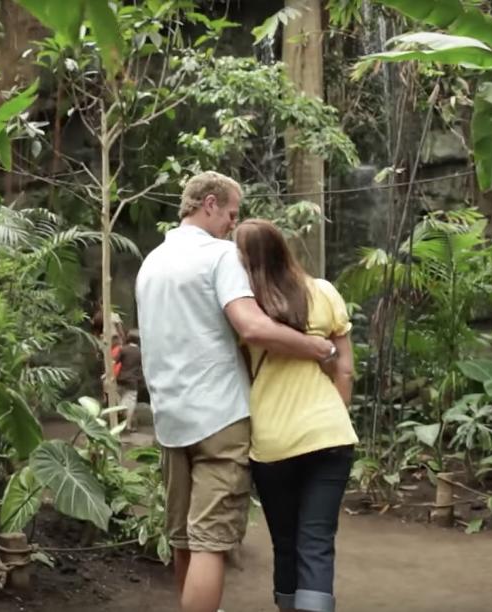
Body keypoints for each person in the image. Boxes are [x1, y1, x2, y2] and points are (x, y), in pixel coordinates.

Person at [135, 171, 338, 612]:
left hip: (170, 420)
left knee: (184, 539)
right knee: (211, 542)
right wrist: (313, 347)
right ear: (209, 204)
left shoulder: (151, 263)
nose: (233, 223)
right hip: (220, 419)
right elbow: (250, 324)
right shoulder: (219, 255)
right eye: (231, 212)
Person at [234, 219, 358, 612]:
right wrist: (333, 415)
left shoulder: (244, 310)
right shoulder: (323, 292)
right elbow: (346, 368)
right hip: (329, 433)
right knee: (317, 541)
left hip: (273, 441)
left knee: (285, 542)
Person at [117, 329, 144, 431]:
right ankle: (127, 425)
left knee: (120, 398)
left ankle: (120, 411)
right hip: (132, 382)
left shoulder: (123, 350)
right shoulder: (141, 352)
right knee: (130, 403)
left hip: (120, 379)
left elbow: (114, 361)